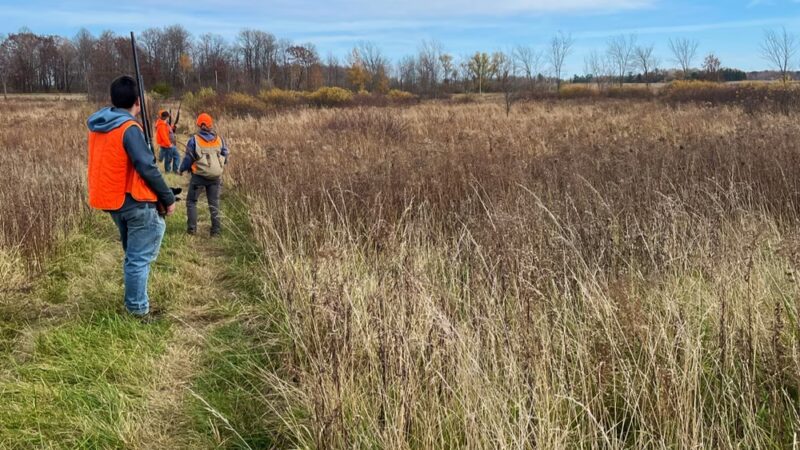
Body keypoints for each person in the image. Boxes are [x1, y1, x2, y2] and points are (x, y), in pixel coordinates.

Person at [87, 75, 176, 320]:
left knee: (133, 256)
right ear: (138, 102)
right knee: (138, 258)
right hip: (135, 202)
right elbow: (146, 167)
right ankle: (137, 311)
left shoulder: (100, 126)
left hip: (113, 201)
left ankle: (135, 303)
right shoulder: (129, 128)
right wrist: (168, 198)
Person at [179, 112, 229, 237]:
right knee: (214, 203)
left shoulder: (194, 140)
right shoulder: (219, 139)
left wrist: (181, 169)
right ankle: (216, 232)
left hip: (199, 177)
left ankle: (192, 230)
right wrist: (220, 165)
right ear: (210, 124)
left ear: (199, 125)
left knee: (191, 201)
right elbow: (225, 154)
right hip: (216, 177)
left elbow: (188, 159)